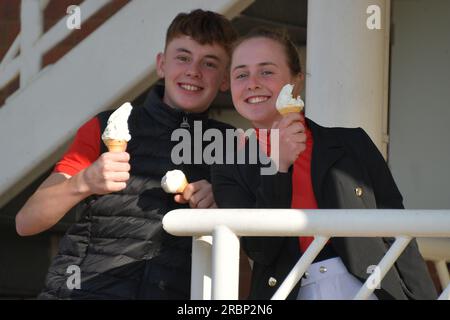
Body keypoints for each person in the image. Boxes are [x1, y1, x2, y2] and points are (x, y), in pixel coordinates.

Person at [15, 9, 237, 299]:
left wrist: (224, 203)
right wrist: (83, 182)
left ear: (225, 80)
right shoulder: (108, 126)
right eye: (183, 57)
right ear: (161, 65)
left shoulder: (233, 147)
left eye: (209, 63)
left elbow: (242, 261)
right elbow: (27, 222)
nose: (193, 71)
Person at [211, 28, 438, 300]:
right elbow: (261, 249)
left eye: (267, 71)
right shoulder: (228, 166)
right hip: (288, 291)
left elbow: (398, 231)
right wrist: (278, 166)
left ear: (296, 81)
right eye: (241, 74)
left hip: (369, 289)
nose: (253, 83)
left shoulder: (353, 142)